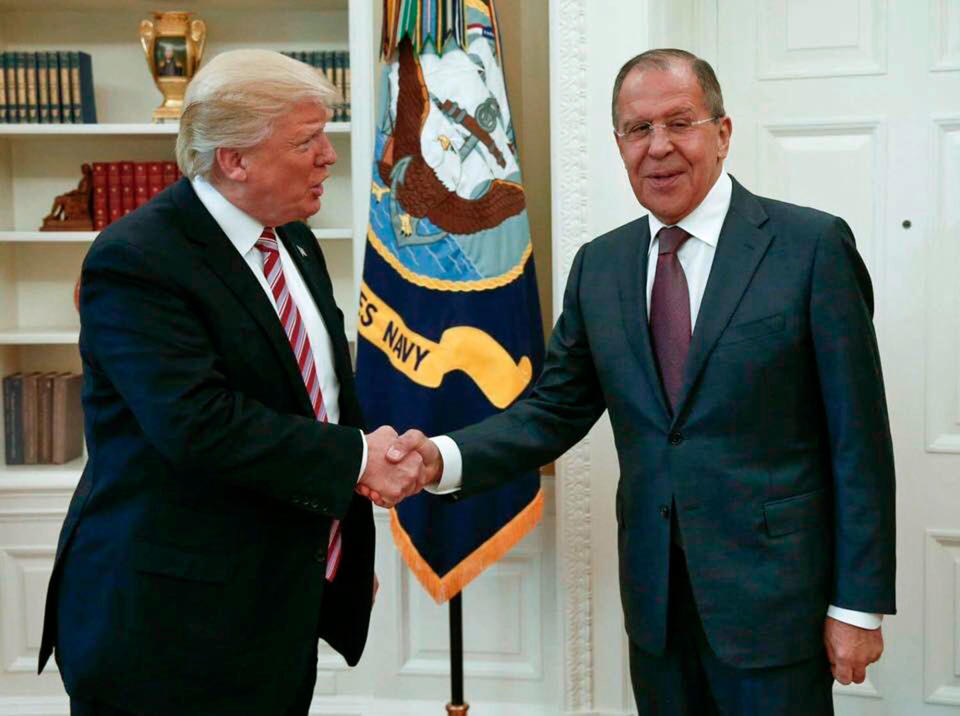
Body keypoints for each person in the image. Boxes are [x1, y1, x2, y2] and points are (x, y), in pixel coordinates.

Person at [382, 48, 896, 714]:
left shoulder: (810, 248)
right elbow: (551, 411)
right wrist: (440, 457)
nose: (659, 148)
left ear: (722, 132)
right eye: (638, 129)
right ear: (619, 142)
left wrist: (857, 604)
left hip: (776, 606)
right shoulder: (602, 267)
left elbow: (859, 440)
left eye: (679, 122)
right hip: (656, 606)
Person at [37, 49, 430, 716]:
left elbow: (323, 393)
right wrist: (362, 460)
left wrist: (348, 534)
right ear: (234, 159)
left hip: (277, 603)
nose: (328, 157)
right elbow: (199, 425)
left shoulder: (294, 241)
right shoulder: (136, 260)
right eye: (307, 141)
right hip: (165, 623)